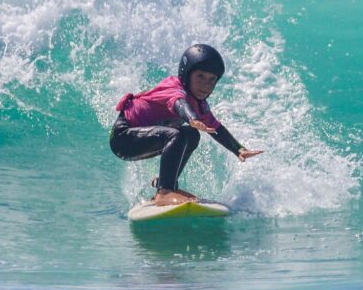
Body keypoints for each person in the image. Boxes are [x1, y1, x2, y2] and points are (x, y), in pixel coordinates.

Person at [109, 44, 263, 206]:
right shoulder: (174, 87)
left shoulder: (199, 104)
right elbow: (179, 103)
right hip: (123, 138)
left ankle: (166, 185)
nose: (206, 84)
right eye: (200, 76)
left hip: (143, 139)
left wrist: (239, 150)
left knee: (191, 134)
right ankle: (165, 192)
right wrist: (192, 118)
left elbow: (217, 129)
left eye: (212, 79)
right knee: (175, 135)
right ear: (186, 75)